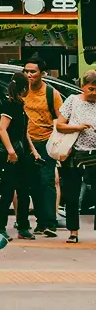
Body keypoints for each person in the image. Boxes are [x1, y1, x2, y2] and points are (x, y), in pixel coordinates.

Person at [0, 73, 44, 240]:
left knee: (24, 191)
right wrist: (11, 151)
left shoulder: (20, 105)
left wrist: (33, 151)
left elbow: (25, 133)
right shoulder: (9, 105)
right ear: (23, 88)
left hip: (22, 154)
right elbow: (2, 129)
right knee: (8, 191)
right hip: (13, 154)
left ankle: (23, 227)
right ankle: (0, 227)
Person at [19, 58, 64, 236]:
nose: (29, 74)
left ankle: (50, 223)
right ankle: (40, 222)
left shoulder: (51, 93)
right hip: (26, 142)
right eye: (26, 71)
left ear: (42, 74)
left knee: (47, 181)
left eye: (33, 71)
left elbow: (61, 117)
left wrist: (57, 139)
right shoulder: (21, 91)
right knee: (33, 183)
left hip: (46, 141)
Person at [53, 69, 96, 243]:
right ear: (83, 86)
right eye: (91, 89)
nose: (94, 93)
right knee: (72, 194)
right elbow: (60, 126)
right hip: (75, 154)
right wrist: (78, 127)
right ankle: (73, 231)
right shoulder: (73, 101)